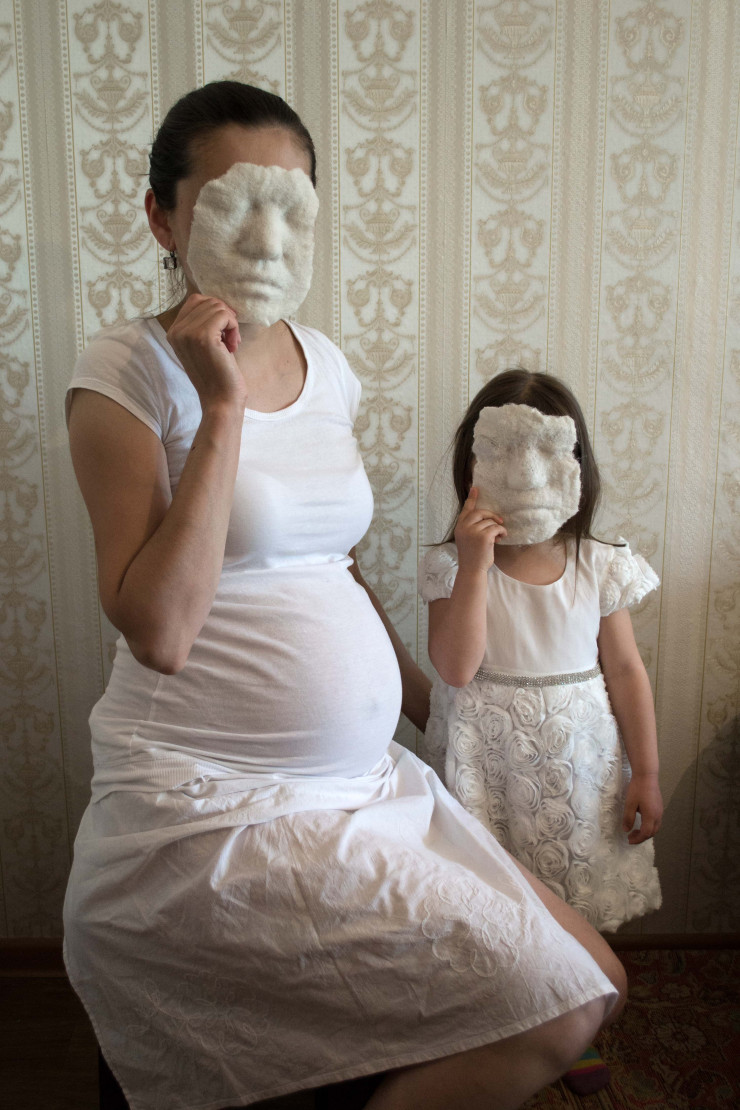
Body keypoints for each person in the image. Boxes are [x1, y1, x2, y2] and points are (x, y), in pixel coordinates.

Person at [63, 81, 625, 1110]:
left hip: (363, 783)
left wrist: (423, 707)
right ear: (162, 218)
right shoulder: (125, 371)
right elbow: (159, 631)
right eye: (233, 204)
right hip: (211, 803)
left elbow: (341, 567)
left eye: (292, 207)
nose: (268, 239)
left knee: (599, 977)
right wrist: (222, 407)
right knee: (555, 1013)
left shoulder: (328, 366)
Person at [419, 369, 662, 1094]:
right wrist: (474, 566)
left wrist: (647, 771)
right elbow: (455, 668)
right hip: (487, 766)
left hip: (576, 768)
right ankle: (499, 1019)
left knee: (572, 895)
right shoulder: (451, 567)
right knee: (494, 899)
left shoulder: (599, 562)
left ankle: (572, 1019)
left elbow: (626, 671)